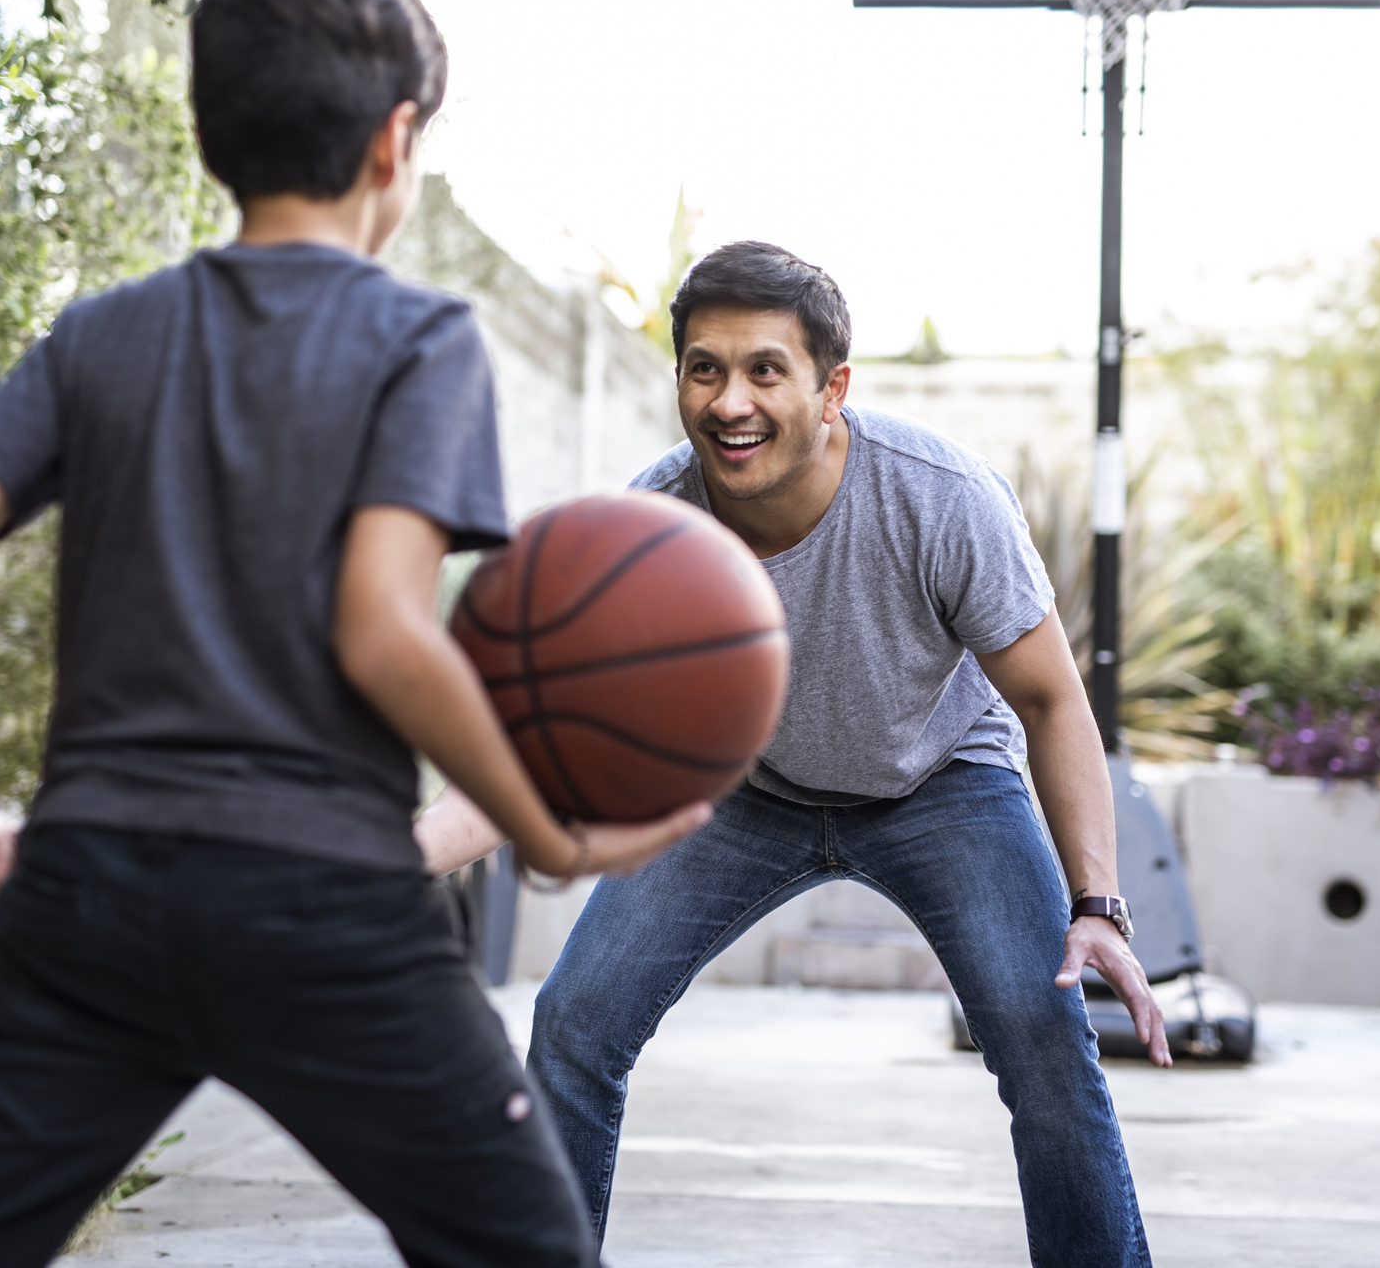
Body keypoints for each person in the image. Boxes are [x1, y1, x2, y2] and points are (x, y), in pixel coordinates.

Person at [0, 0, 706, 1268]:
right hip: (320, 902)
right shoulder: (415, 337)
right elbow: (381, 624)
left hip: (88, 898)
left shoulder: (101, 332)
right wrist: (539, 826)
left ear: (215, 132)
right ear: (392, 145)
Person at [417, 241, 1169, 1266]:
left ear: (831, 388)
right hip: (744, 787)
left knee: (1045, 1045)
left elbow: (1049, 698)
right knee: (574, 1021)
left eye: (766, 368)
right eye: (704, 368)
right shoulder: (655, 525)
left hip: (940, 779)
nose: (731, 400)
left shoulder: (940, 496)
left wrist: (1097, 904)